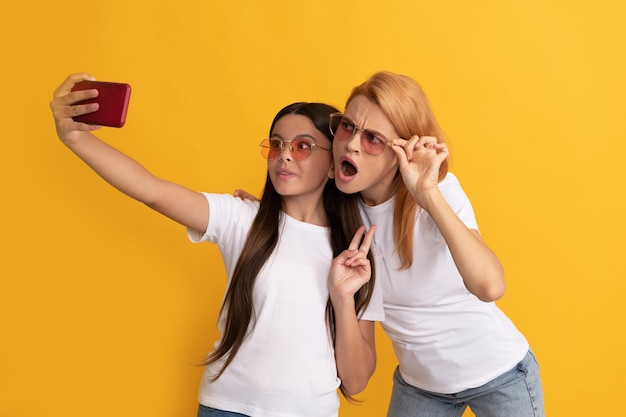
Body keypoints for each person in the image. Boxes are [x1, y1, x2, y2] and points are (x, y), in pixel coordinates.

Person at [49, 73, 383, 417]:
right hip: (225, 408)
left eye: (302, 146)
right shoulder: (240, 218)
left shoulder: (357, 251)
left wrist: (343, 299)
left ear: (332, 165)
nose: (284, 156)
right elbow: (151, 190)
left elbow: (356, 382)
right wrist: (74, 139)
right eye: (276, 144)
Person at [328, 71, 545, 417]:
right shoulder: (340, 213)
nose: (352, 144)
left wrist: (426, 193)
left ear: (401, 151)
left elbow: (490, 285)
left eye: (372, 139)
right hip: (421, 387)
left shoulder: (438, 191)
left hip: (499, 374)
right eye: (347, 127)